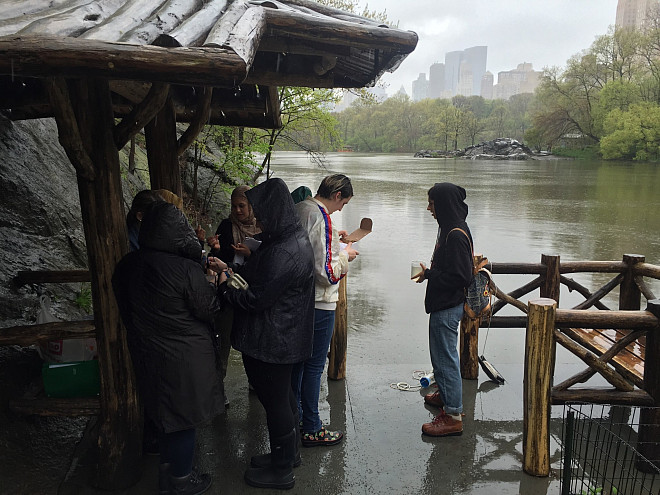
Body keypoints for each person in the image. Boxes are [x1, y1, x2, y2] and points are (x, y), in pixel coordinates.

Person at [113, 201, 225, 495]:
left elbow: (125, 309)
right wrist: (216, 284)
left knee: (164, 416)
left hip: (146, 351)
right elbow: (209, 309)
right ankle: (181, 481)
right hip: (185, 356)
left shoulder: (127, 265)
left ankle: (167, 474)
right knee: (184, 420)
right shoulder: (184, 269)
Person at [212, 178, 315, 490]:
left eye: (258, 211)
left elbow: (256, 298)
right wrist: (234, 272)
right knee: (282, 398)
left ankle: (282, 469)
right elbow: (262, 275)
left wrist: (224, 287)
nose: (254, 217)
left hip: (276, 339)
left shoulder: (285, 250)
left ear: (274, 211)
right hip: (284, 335)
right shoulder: (286, 238)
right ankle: (287, 455)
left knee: (277, 403)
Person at [291, 174, 359, 447]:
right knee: (314, 365)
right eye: (344, 202)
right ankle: (312, 426)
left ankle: (294, 416)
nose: (342, 208)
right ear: (338, 194)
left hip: (297, 298)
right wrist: (346, 256)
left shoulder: (300, 209)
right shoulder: (321, 217)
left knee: (298, 363)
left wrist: (335, 243)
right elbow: (326, 273)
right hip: (319, 302)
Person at [412, 182, 473, 437]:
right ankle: (447, 396)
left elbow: (462, 277)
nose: (429, 209)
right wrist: (430, 274)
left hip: (447, 306)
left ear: (444, 204)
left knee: (445, 359)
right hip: (444, 304)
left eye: (432, 203)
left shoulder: (455, 234)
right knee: (439, 356)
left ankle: (453, 415)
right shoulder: (448, 228)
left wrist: (430, 275)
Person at [207, 185, 261, 265]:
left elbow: (266, 261)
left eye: (241, 206)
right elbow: (216, 259)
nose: (237, 210)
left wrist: (249, 254)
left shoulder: (261, 226)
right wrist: (216, 249)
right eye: (234, 206)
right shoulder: (226, 225)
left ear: (251, 205)